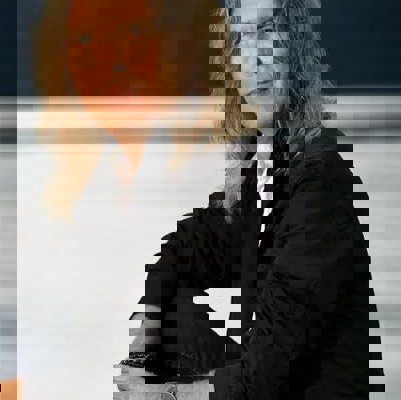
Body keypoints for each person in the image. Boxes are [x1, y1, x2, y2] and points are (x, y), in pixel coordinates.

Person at [117, 0, 383, 399]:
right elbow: (180, 253)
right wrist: (140, 352)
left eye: (269, 33)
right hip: (269, 385)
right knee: (175, 319)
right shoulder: (265, 170)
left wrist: (159, 395)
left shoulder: (320, 183)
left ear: (297, 51)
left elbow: (263, 378)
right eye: (241, 39)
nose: (255, 59)